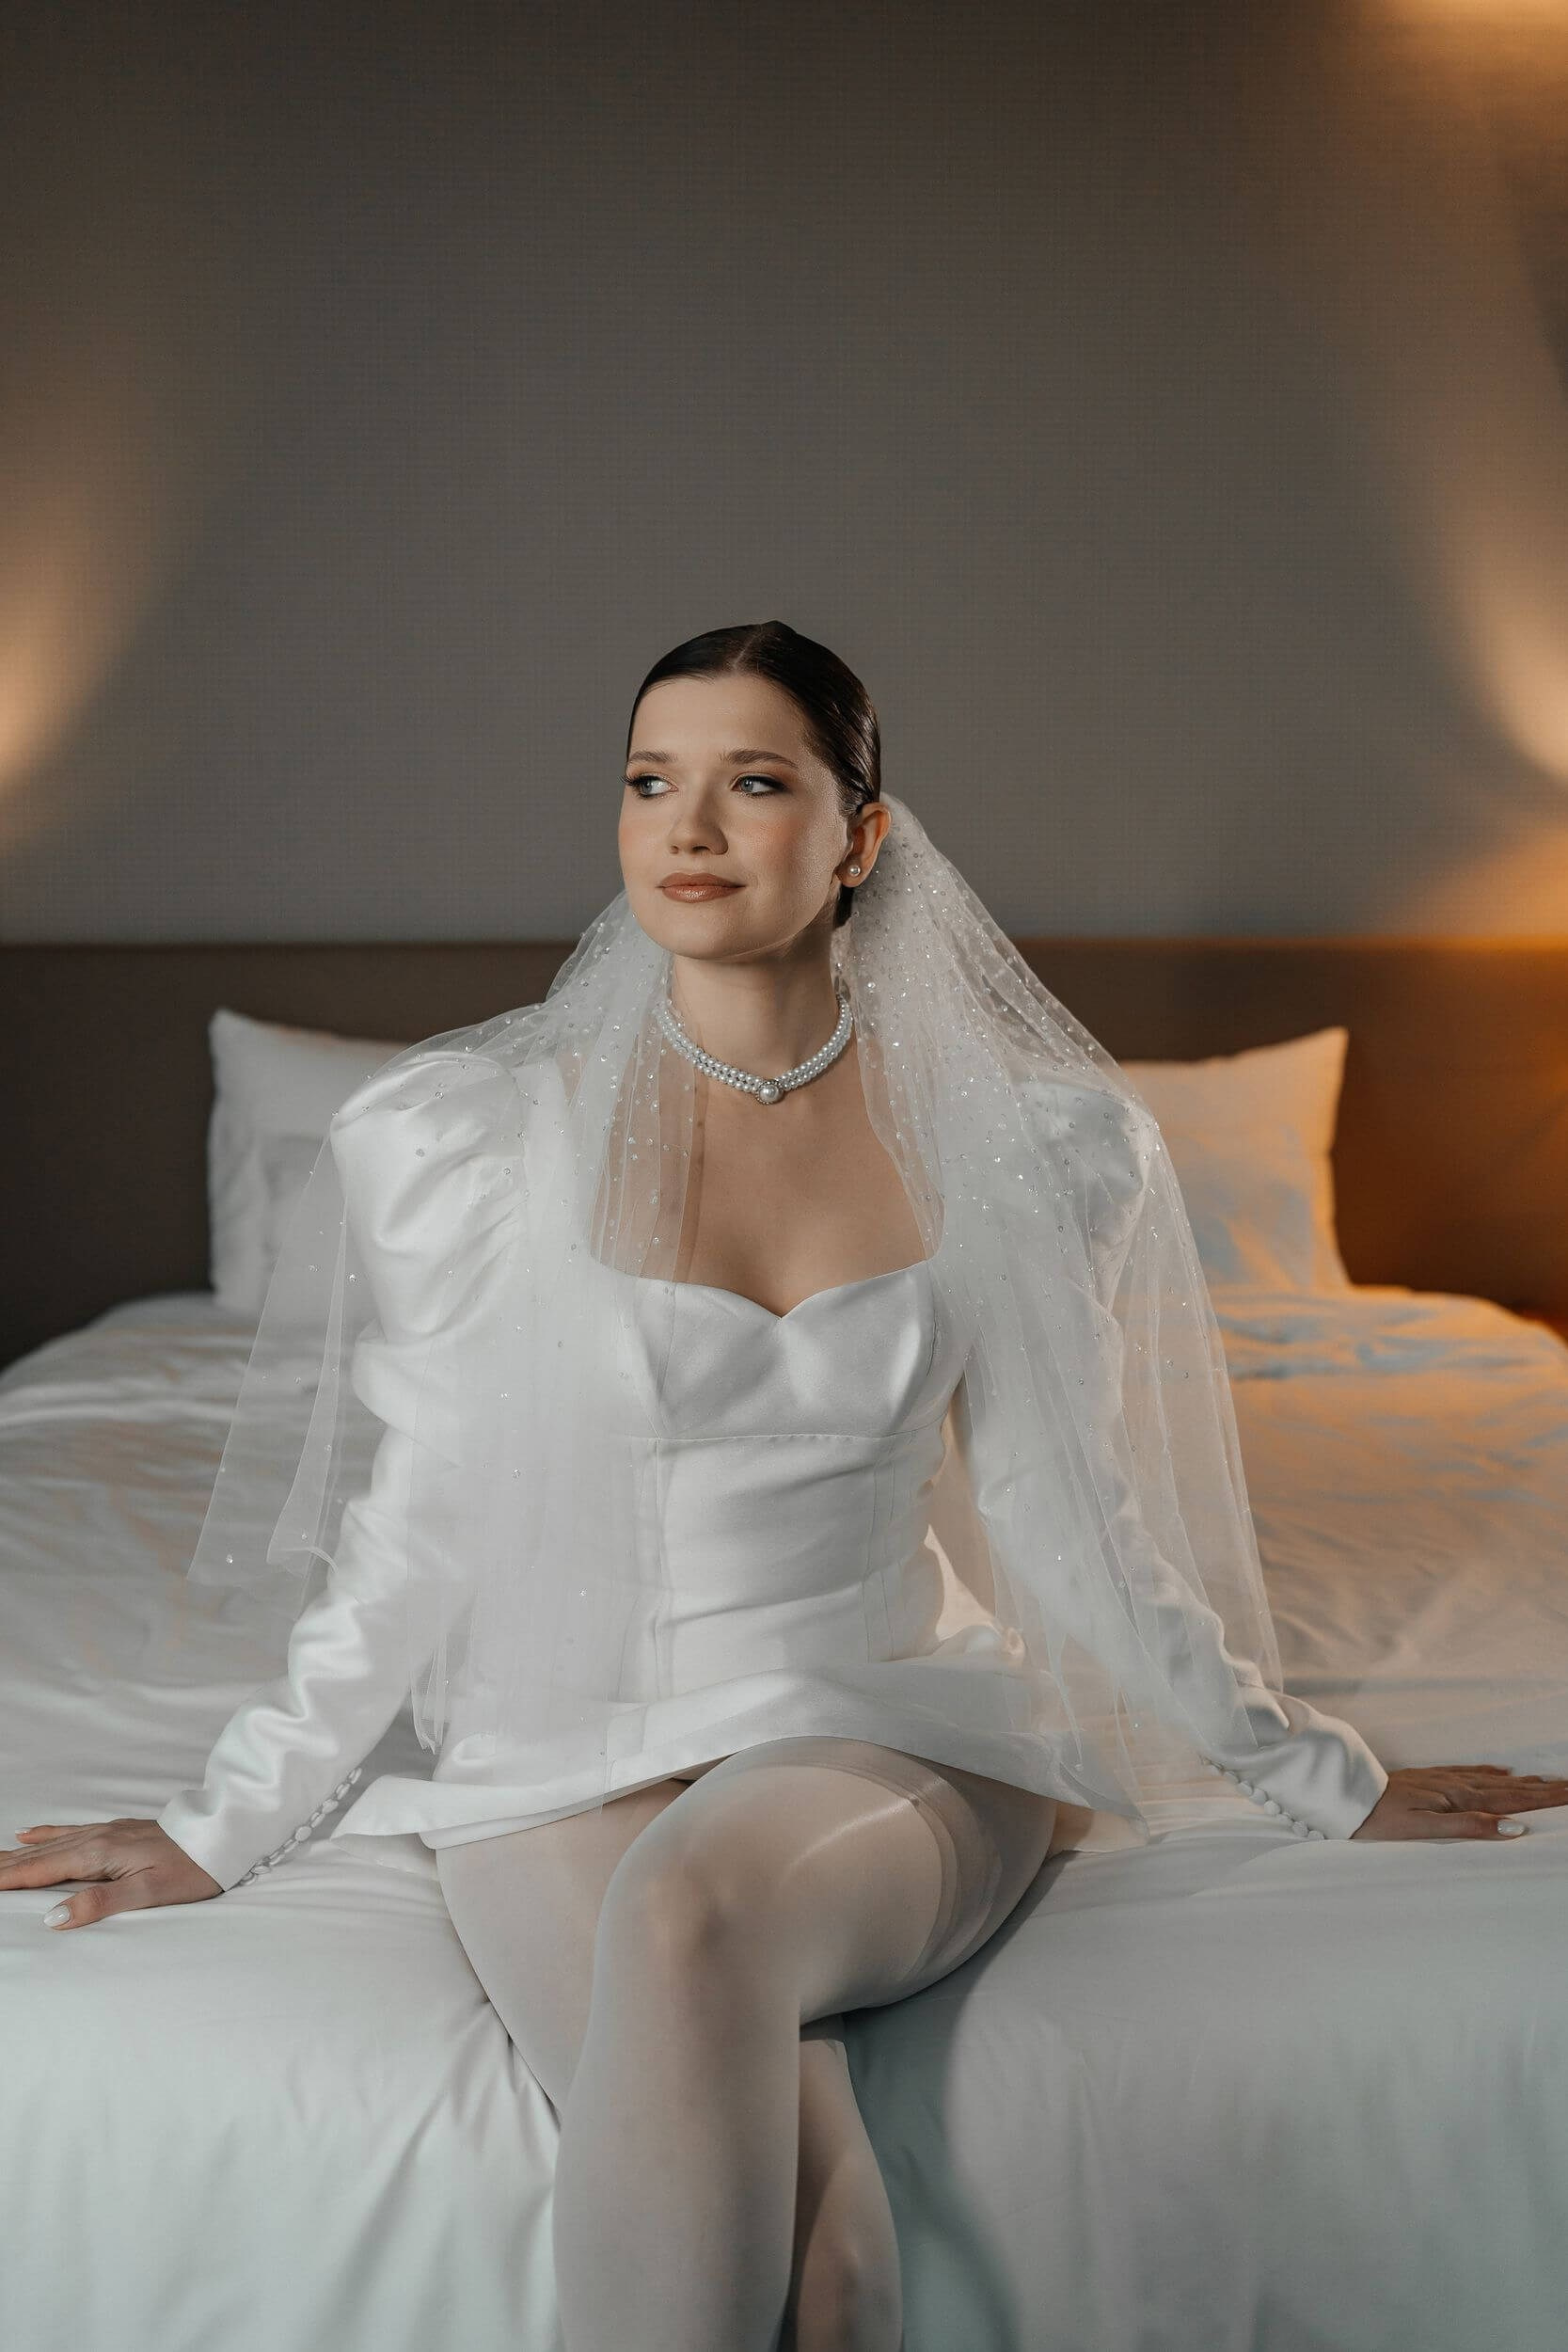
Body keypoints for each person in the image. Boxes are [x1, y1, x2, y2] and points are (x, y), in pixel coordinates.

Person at [4, 622, 1562, 2352]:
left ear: (860, 837)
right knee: (831, 2269)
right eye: (648, 781)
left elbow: (1073, 1529)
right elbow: (418, 1531)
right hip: (561, 1753)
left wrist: (1321, 1778)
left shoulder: (1018, 1150)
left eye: (754, 782)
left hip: (887, 1734)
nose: (686, 827)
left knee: (693, 1907)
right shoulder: (480, 1143)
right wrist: (223, 1823)